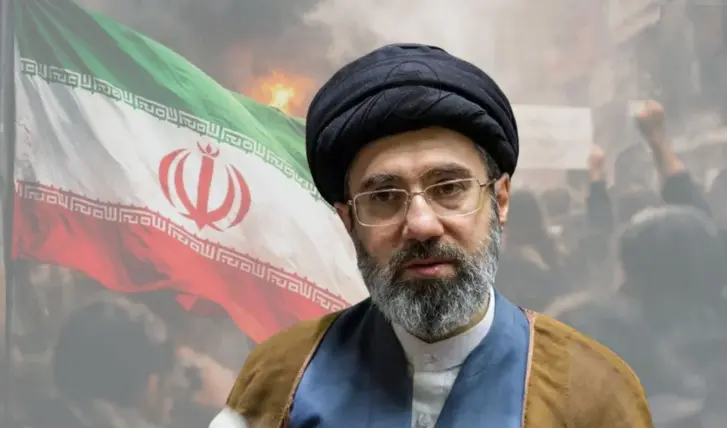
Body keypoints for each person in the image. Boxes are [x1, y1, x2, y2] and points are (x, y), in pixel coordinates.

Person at [210, 43, 652, 428]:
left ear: (500, 200)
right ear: (348, 220)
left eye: (449, 188)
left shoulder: (593, 391)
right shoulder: (280, 380)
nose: (421, 225)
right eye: (384, 196)